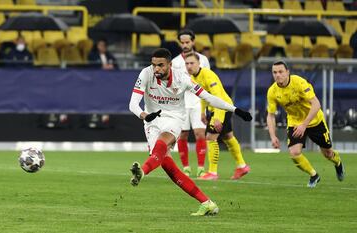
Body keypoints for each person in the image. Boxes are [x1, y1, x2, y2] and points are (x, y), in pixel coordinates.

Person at [128, 48, 252, 216]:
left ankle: (142, 171)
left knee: (162, 143)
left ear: (170, 65)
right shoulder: (146, 73)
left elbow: (208, 97)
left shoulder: (183, 78)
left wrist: (235, 110)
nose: (156, 69)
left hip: (174, 118)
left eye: (160, 65)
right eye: (154, 65)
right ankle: (207, 203)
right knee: (169, 168)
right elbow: (133, 103)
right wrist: (144, 115)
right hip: (151, 120)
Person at [266, 60, 345, 188]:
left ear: (287, 72)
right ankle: (314, 175)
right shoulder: (272, 92)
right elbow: (270, 115)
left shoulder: (299, 82)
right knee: (294, 152)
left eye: (280, 72)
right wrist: (273, 136)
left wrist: (304, 124)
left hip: (314, 120)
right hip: (294, 122)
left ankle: (338, 163)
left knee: (328, 153)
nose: (277, 75)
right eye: (274, 72)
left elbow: (316, 104)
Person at [184, 53, 252, 181]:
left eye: (192, 63)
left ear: (199, 64)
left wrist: (217, 118)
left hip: (222, 109)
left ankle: (212, 172)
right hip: (217, 109)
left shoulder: (208, 75)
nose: (189, 66)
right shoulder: (193, 77)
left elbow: (218, 97)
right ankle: (242, 166)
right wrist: (203, 112)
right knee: (228, 137)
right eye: (187, 63)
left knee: (210, 138)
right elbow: (204, 95)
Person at [172, 29, 210, 178]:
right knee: (182, 135)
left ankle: (201, 167)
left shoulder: (203, 59)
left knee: (200, 133)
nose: (185, 45)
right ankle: (186, 167)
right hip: (182, 102)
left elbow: (208, 80)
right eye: (182, 43)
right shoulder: (175, 62)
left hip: (198, 101)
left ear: (193, 42)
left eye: (187, 42)